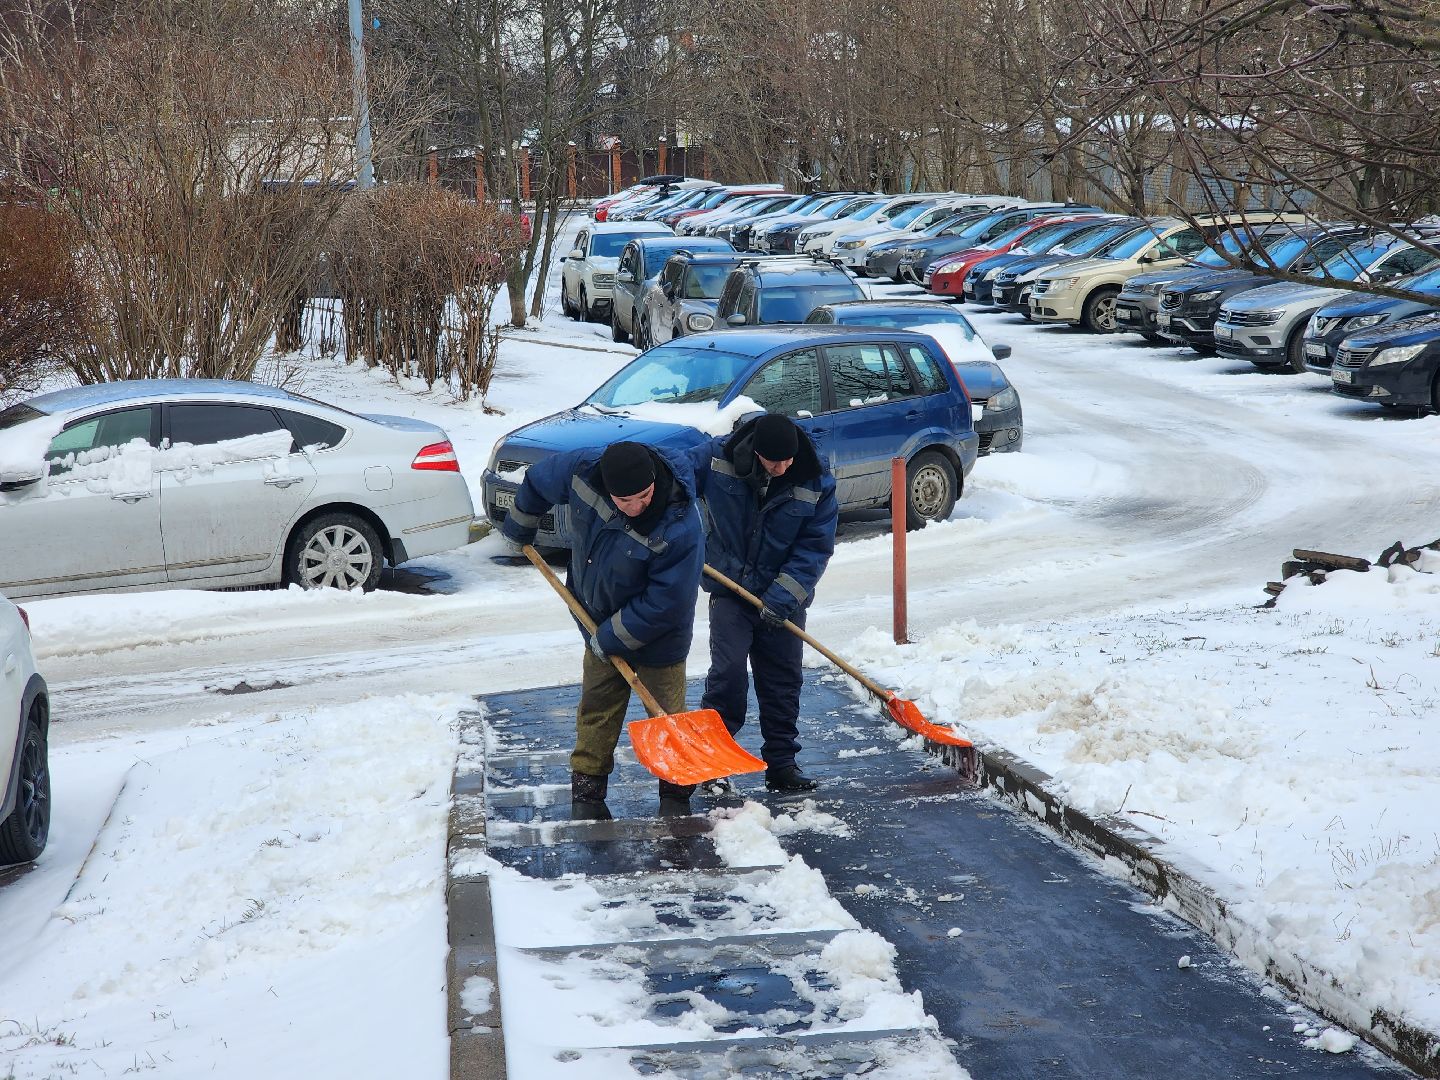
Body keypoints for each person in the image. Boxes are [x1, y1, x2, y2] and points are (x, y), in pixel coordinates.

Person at [499, 440, 704, 818]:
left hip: (660, 636)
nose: (635, 507)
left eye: (643, 496)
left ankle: (676, 792)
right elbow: (538, 482)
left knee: (665, 716)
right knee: (597, 707)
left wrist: (607, 638)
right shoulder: (582, 468)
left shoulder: (681, 525)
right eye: (623, 500)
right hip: (595, 615)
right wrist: (519, 525)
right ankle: (587, 787)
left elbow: (666, 604)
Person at [688, 412, 838, 792]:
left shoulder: (815, 479)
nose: (782, 467)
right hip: (730, 591)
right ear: (756, 452)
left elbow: (814, 549)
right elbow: (675, 471)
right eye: (774, 461)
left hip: (783, 598)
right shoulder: (719, 459)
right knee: (728, 674)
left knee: (782, 679)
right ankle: (714, 762)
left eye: (787, 459)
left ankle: (782, 765)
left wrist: (782, 597)